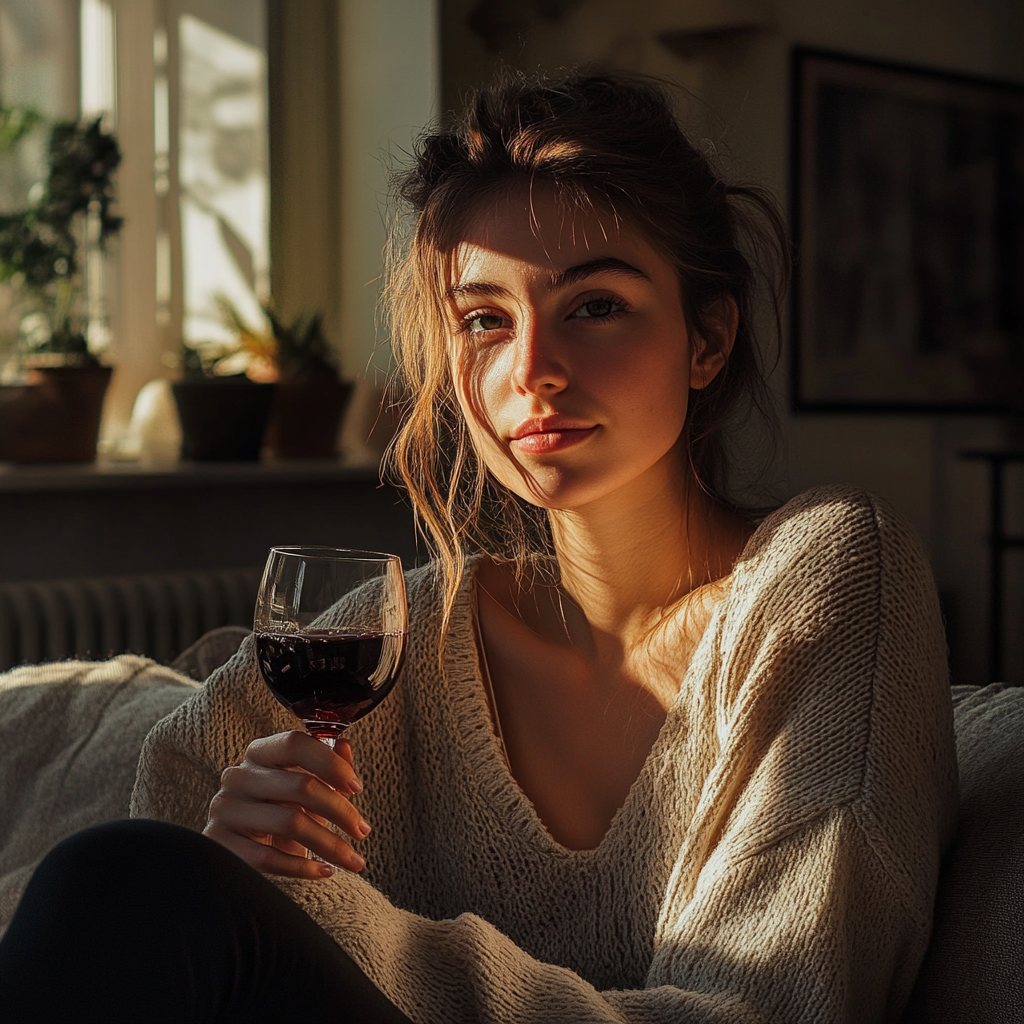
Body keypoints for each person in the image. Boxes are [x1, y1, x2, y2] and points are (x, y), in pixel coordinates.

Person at [0, 70, 957, 1023]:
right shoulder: (404, 632)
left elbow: (772, 1009)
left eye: (595, 306)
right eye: (485, 321)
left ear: (707, 339)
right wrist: (232, 857)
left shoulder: (828, 574)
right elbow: (176, 793)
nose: (531, 372)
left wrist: (323, 916)